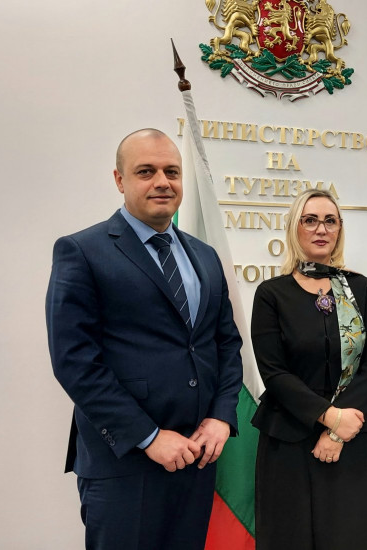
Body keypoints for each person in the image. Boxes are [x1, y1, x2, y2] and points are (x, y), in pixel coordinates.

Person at [45, 128, 243, 550]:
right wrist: (148, 436)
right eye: (146, 171)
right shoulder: (82, 251)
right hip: (125, 464)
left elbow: (226, 343)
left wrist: (222, 417)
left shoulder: (205, 255)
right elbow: (74, 361)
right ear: (120, 180)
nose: (162, 182)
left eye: (172, 171)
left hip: (196, 457)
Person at [250, 189, 367, 550]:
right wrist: (329, 417)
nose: (321, 229)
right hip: (289, 439)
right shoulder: (271, 293)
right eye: (310, 220)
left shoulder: (361, 288)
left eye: (330, 221)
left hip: (355, 436)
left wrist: (340, 429)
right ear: (294, 228)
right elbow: (274, 372)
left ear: (340, 229)